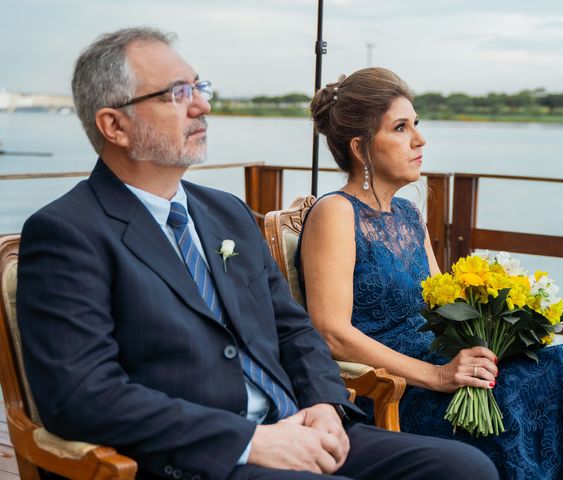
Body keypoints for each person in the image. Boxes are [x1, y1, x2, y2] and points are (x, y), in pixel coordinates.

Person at [16, 29, 499, 480]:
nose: (202, 105)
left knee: (467, 469)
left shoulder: (223, 212)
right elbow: (82, 397)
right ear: (114, 125)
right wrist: (249, 441)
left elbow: (293, 328)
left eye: (199, 87)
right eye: (177, 94)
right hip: (197, 459)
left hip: (297, 425)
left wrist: (326, 407)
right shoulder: (66, 233)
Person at [296, 67, 563, 480]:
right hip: (399, 388)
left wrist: (497, 333)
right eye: (401, 128)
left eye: (416, 124)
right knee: (558, 382)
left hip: (445, 367)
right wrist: (437, 376)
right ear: (361, 147)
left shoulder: (407, 215)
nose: (419, 140)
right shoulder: (335, 212)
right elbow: (330, 331)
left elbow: (443, 308)